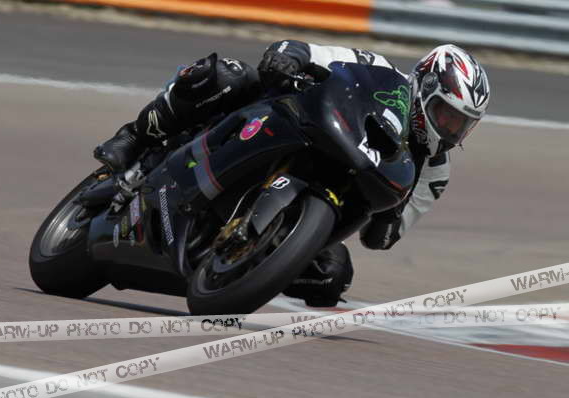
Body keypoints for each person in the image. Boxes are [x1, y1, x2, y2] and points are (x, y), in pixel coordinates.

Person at [94, 40, 491, 307]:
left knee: (333, 275)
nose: (450, 129)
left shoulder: (434, 170)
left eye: (461, 124)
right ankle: (134, 138)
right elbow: (303, 49)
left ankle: (246, 264)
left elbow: (381, 237)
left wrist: (390, 214)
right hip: (293, 123)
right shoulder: (379, 68)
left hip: (337, 187)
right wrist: (290, 59)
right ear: (424, 85)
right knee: (229, 75)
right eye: (446, 114)